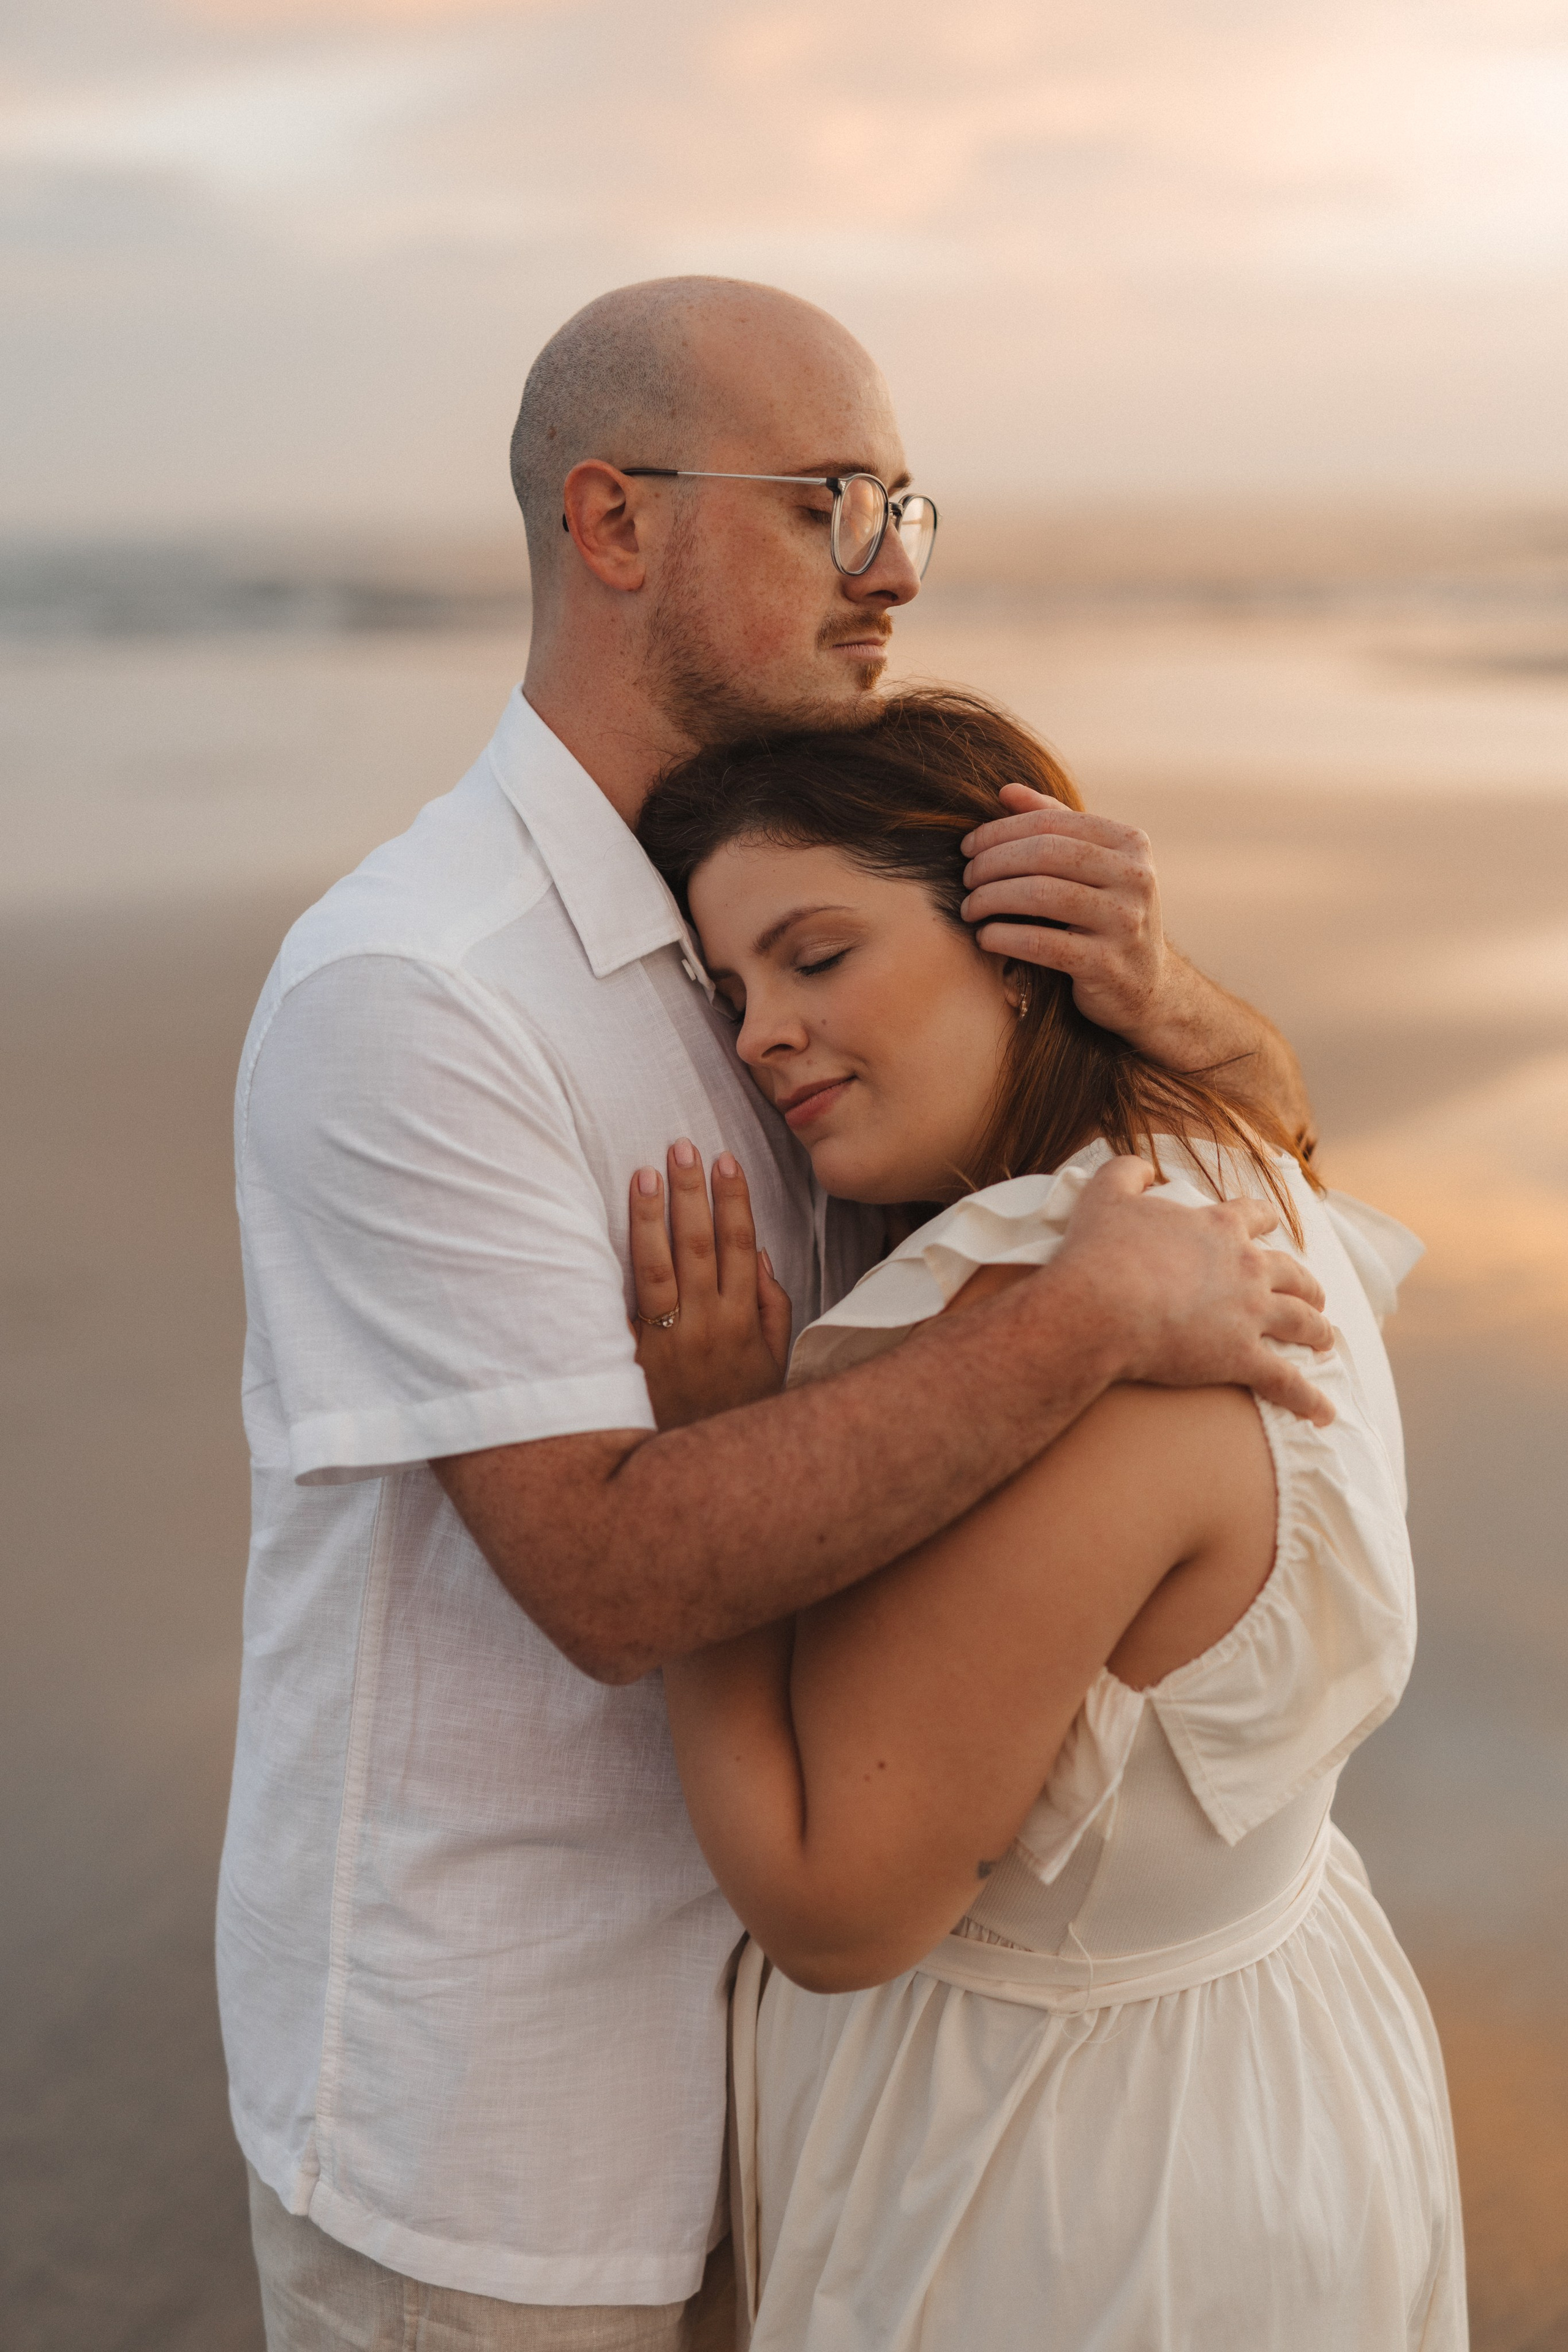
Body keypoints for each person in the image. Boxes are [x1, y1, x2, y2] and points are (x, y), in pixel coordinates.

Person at [220, 277, 1336, 2351]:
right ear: (614, 522)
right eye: (832, 502)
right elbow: (604, 1569)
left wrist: (1178, 1017)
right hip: (510, 2134)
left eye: (909, 504)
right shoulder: (419, 994)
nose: (895, 568)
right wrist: (1072, 1328)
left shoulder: (815, 920)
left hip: (849, 2098)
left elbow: (1243, 1188)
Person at [630, 688, 1464, 2351]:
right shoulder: (1224, 1156)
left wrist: (709, 1470)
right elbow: (1284, 1101)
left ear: (1018, 945)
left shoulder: (1088, 1356)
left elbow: (833, 1906)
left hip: (1071, 2185)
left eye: (818, 955)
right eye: (730, 992)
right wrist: (1177, 1002)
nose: (758, 1037)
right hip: (1287, 2059)